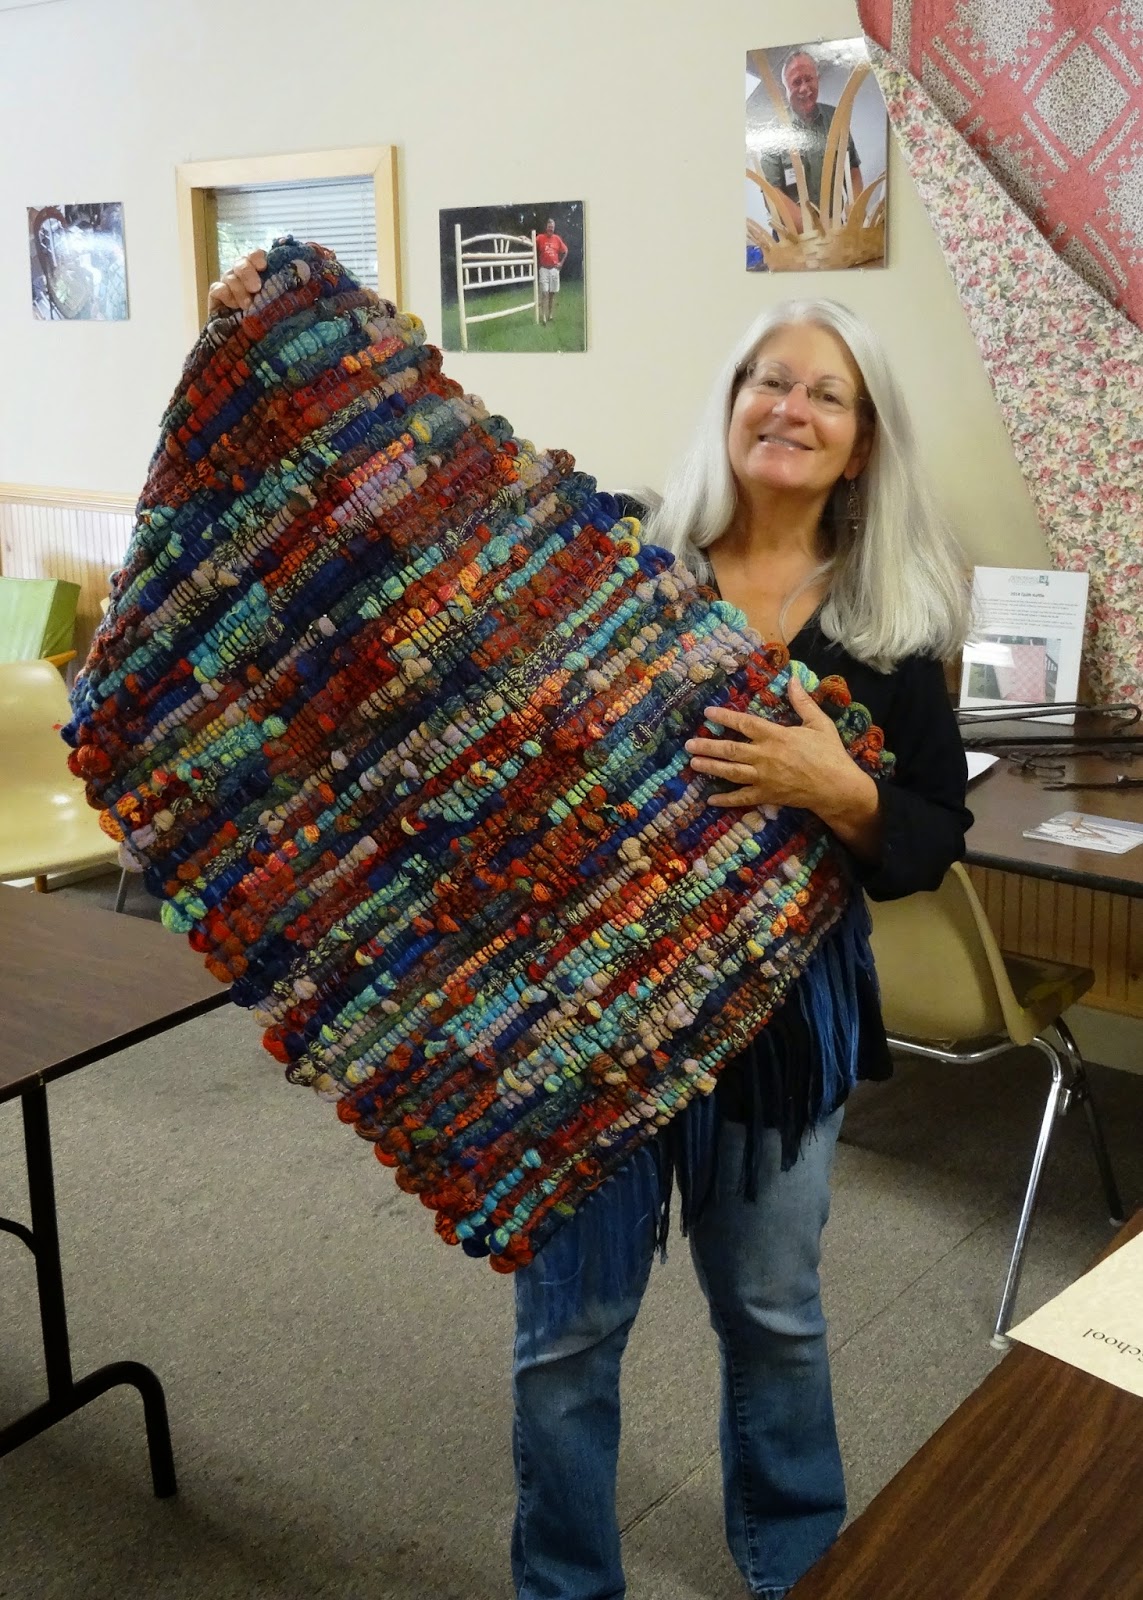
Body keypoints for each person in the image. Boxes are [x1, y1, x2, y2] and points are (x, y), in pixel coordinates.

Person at [208, 256, 971, 1597]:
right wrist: (298, 356)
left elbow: (924, 842)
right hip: (575, 1017)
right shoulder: (618, 557)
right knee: (569, 1329)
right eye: (764, 379)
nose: (786, 408)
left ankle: (796, 1559)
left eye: (824, 396)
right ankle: (564, 1582)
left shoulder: (892, 631)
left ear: (859, 445)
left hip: (778, 1025)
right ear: (730, 401)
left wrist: (839, 793)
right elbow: (419, 539)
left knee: (773, 1309)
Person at [749, 50, 863, 235]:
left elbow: (853, 171)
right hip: (794, 237)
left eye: (809, 79)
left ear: (817, 80)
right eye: (796, 82)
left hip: (836, 230)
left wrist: (856, 213)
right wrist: (811, 228)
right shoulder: (774, 131)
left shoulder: (837, 117)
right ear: (785, 88)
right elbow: (771, 190)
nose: (804, 88)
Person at [535, 216, 568, 325]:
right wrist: (524, 239)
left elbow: (565, 251)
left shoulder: (557, 239)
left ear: (554, 228)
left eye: (552, 227)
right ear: (546, 227)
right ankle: (543, 316)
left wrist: (561, 263)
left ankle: (550, 315)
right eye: (549, 227)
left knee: (552, 294)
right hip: (544, 269)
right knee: (544, 293)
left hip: (554, 270)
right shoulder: (540, 237)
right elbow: (531, 242)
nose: (551, 229)